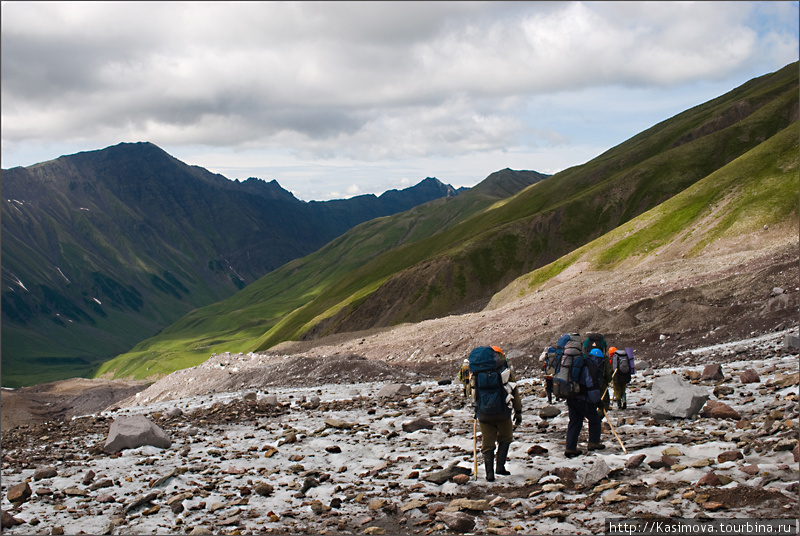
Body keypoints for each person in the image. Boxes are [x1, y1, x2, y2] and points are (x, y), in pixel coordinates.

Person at [470, 346, 522, 481]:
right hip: (502, 411)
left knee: (487, 442)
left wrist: (476, 408)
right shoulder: (505, 372)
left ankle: (489, 474)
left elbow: (472, 392)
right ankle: (500, 467)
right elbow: (514, 393)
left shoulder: (476, 373)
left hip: (483, 413)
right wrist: (518, 411)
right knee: (506, 437)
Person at [565, 348, 605, 457]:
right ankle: (593, 442)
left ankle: (570, 448)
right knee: (595, 420)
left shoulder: (580, 363)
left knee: (575, 422)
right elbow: (591, 386)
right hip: (583, 399)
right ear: (597, 359)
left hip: (572, 397)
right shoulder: (590, 367)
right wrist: (597, 401)